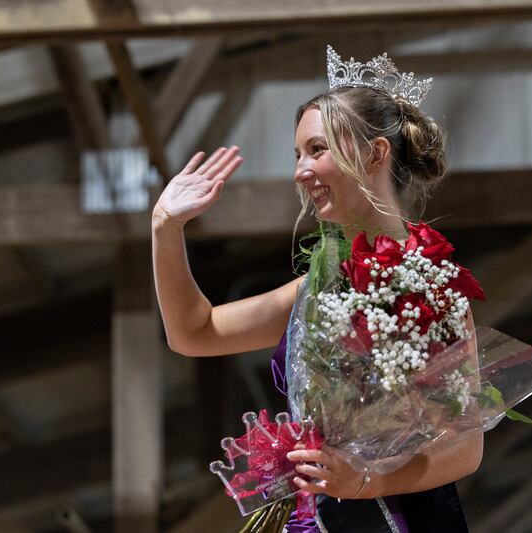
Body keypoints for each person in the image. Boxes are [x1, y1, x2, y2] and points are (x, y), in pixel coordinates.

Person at [151, 46, 482, 532]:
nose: (300, 172)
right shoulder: (315, 285)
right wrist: (165, 228)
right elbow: (192, 332)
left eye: (317, 150)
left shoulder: (434, 288)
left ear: (375, 153)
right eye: (298, 155)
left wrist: (364, 482)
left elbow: (465, 449)